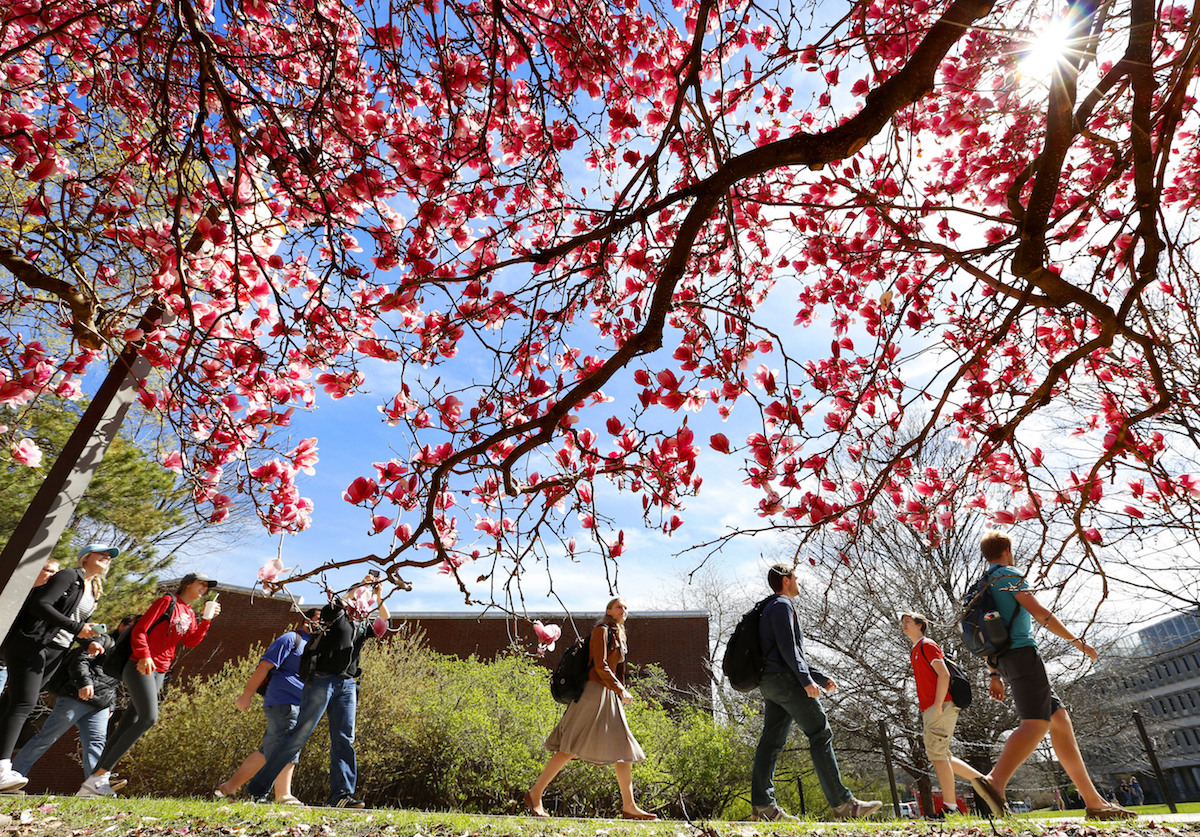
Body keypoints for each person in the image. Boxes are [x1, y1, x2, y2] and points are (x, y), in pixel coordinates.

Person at [973, 531, 1136, 821]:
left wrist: (993, 673)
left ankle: (1094, 802)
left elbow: (984, 631)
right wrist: (1078, 642)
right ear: (1008, 549)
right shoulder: (1008, 574)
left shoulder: (983, 583)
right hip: (1023, 655)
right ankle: (994, 781)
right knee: (1035, 723)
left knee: (1060, 721)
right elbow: (1039, 611)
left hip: (1004, 659)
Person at [243, 575, 389, 809]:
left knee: (344, 739)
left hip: (347, 685)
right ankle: (258, 789)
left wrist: (379, 595)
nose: (364, 602)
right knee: (299, 734)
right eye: (361, 597)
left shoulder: (362, 625)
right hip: (322, 680)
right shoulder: (335, 614)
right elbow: (334, 604)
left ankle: (341, 795)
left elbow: (385, 622)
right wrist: (358, 587)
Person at [750, 564, 882, 821]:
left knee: (771, 741)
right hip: (786, 682)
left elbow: (783, 652)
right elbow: (790, 650)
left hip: (771, 681)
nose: (798, 582)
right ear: (786, 581)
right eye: (795, 578)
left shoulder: (768, 607)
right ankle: (844, 805)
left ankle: (763, 807)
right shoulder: (782, 606)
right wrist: (806, 681)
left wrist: (818, 677)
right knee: (820, 732)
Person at [78, 572, 221, 798]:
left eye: (207, 585)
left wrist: (206, 620)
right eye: (201, 583)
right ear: (187, 584)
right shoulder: (167, 601)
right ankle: (100, 776)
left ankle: (93, 782)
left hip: (161, 670)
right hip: (140, 664)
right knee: (149, 718)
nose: (204, 588)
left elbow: (191, 641)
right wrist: (144, 655)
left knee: (129, 722)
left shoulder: (191, 613)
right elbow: (140, 629)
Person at [525, 597, 656, 820]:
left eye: (625, 607)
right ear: (609, 610)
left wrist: (617, 689)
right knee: (570, 745)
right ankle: (535, 794)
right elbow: (600, 664)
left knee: (623, 748)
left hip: (608, 693)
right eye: (618, 607)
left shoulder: (618, 633)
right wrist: (620, 689)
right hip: (595, 692)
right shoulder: (601, 630)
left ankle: (629, 807)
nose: (623, 610)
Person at [0, 547, 110, 792]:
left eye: (110, 556)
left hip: (55, 652)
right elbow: (41, 605)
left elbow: (70, 623)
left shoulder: (92, 589)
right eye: (102, 553)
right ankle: (2, 769)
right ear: (86, 556)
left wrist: (87, 639)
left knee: (10, 704)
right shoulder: (69, 576)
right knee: (23, 704)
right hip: (31, 642)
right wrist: (76, 627)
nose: (107, 557)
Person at [215, 608, 322, 804]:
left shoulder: (315, 645)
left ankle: (229, 787)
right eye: (318, 619)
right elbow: (264, 666)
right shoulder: (291, 639)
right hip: (283, 701)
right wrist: (246, 696)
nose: (323, 623)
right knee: (289, 746)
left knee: (268, 751)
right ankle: (283, 795)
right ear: (307, 620)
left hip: (300, 704)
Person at [899, 611, 994, 820]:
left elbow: (944, 674)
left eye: (908, 621)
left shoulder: (927, 645)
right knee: (944, 756)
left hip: (939, 706)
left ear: (920, 625)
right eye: (902, 622)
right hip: (931, 708)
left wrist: (939, 704)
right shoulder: (915, 650)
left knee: (938, 756)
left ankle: (950, 809)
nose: (904, 625)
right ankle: (987, 783)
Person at [11, 622, 130, 784]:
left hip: (101, 704)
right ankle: (13, 775)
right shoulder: (103, 640)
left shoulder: (126, 652)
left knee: (96, 743)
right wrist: (84, 683)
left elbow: (114, 680)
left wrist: (112, 705)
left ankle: (96, 785)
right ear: (122, 626)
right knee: (46, 738)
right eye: (132, 627)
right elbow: (79, 661)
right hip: (76, 698)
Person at [0, 558, 61, 698]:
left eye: (55, 573)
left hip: (3, 665)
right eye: (49, 571)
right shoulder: (13, 589)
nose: (53, 576)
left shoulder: (43, 602)